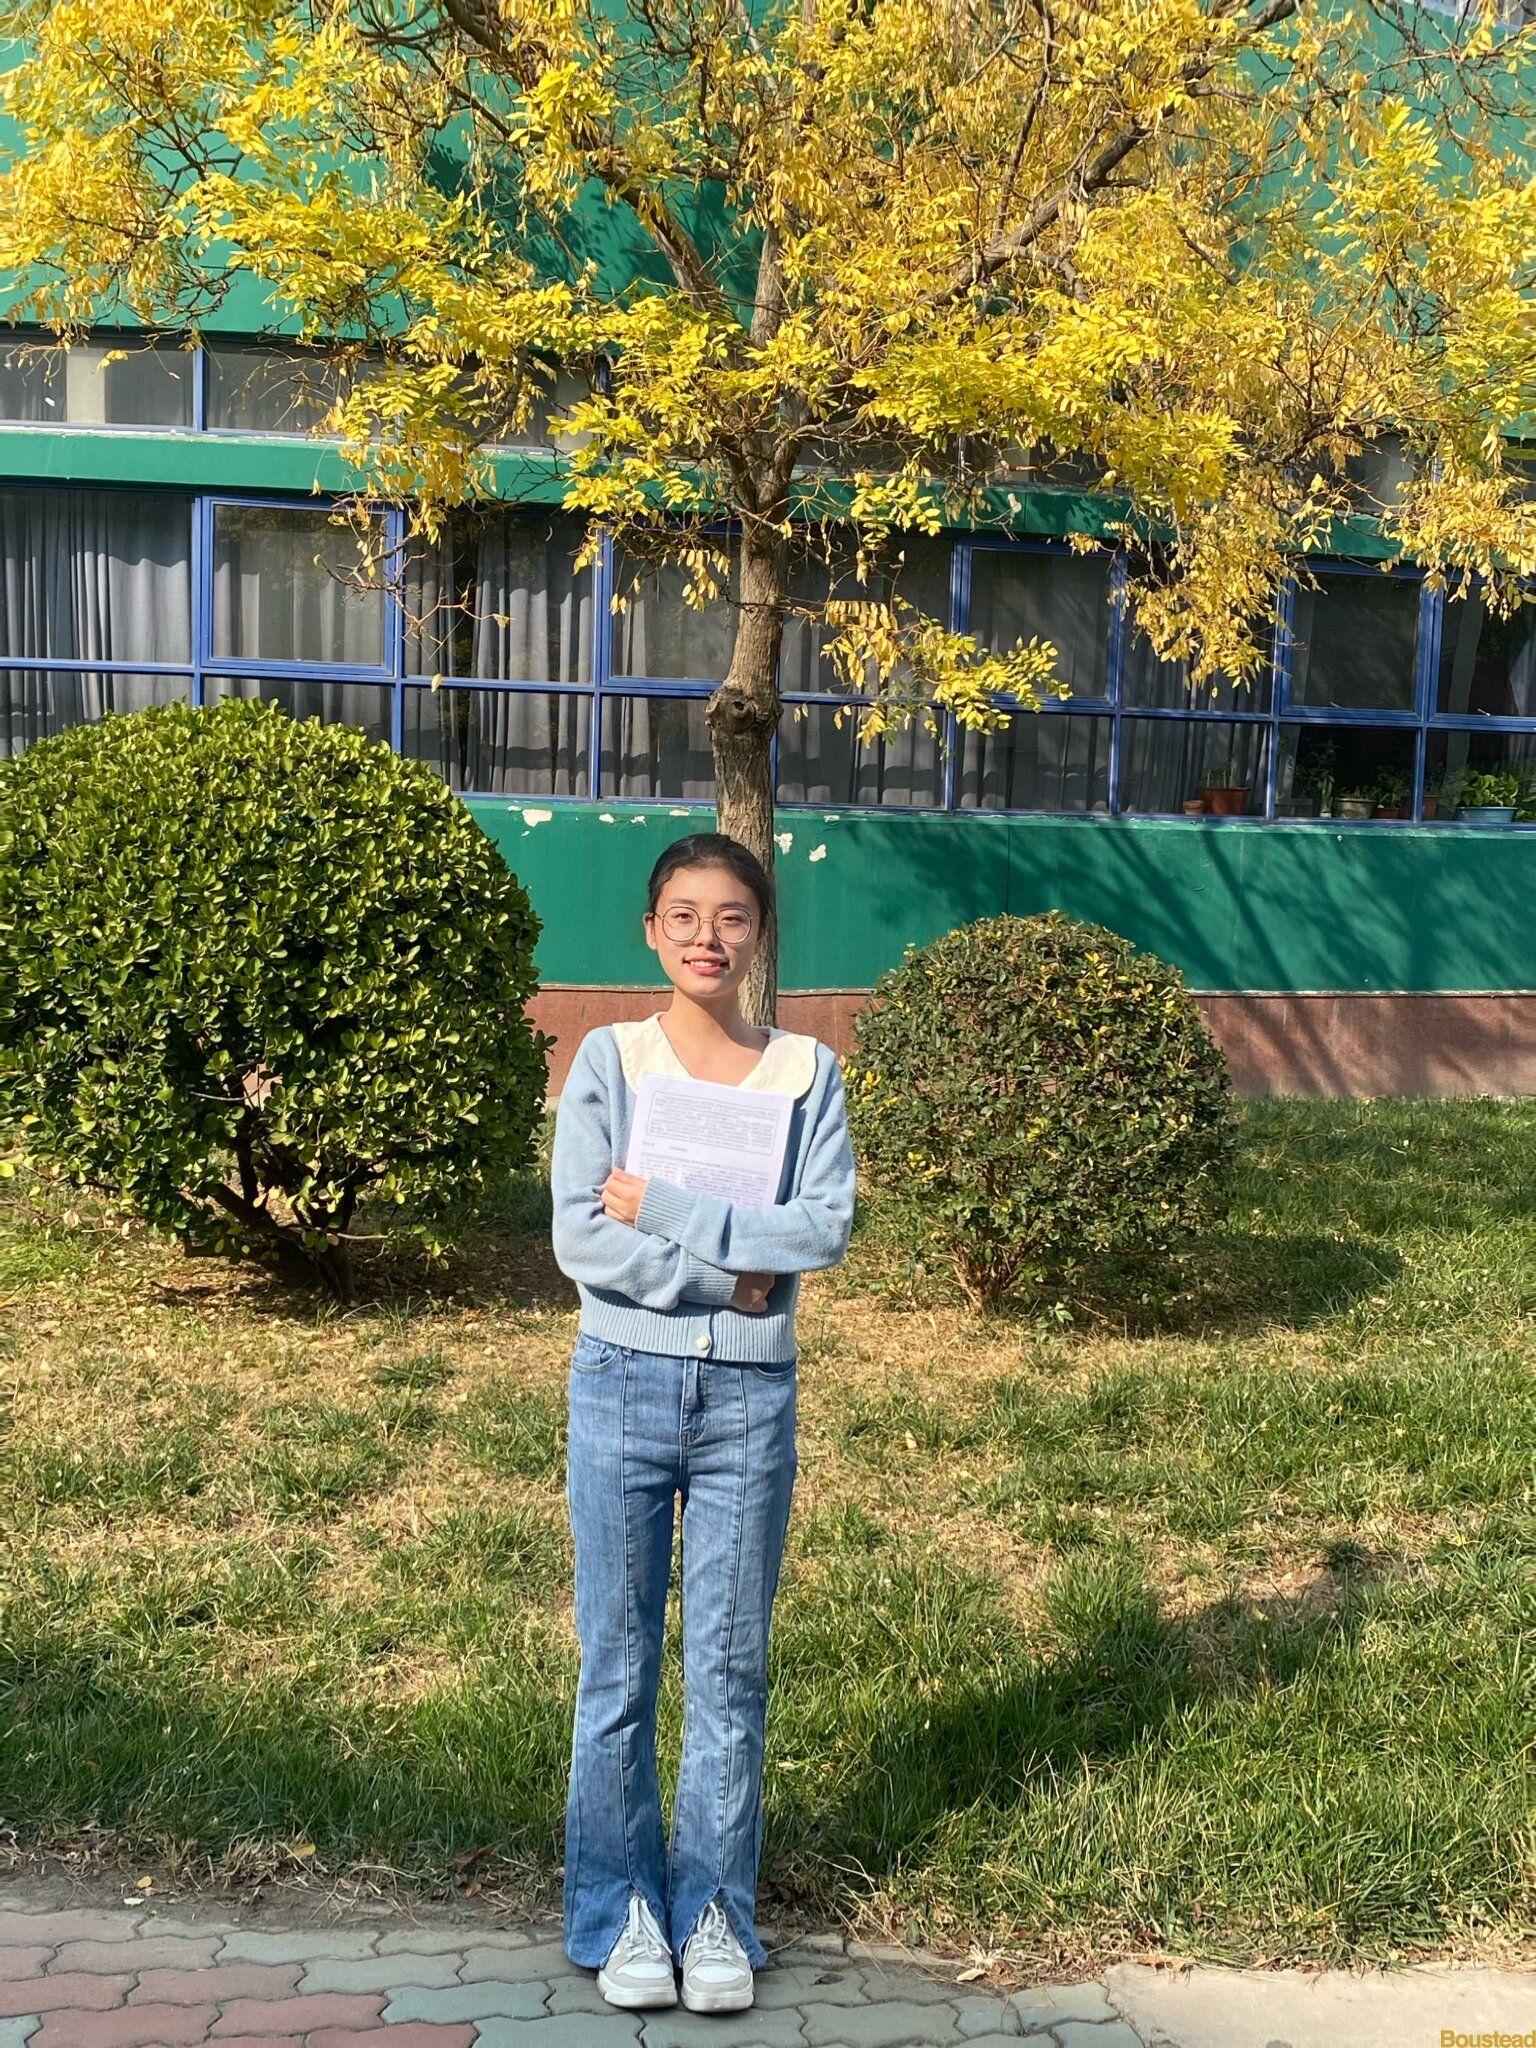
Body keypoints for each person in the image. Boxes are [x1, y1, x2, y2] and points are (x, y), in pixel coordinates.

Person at [550, 830, 856, 2015]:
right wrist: (727, 1272)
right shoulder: (610, 1060)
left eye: (731, 916)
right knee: (617, 1663)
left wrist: (673, 1207)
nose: (706, 938)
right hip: (620, 1379)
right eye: (683, 915)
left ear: (760, 932)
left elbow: (817, 1229)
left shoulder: (807, 1072)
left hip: (748, 1401)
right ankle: (616, 1908)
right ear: (650, 930)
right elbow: (584, 1236)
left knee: (730, 1666)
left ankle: (716, 1909)